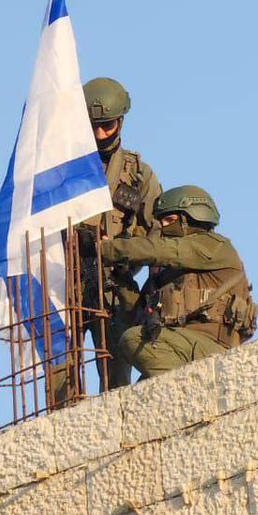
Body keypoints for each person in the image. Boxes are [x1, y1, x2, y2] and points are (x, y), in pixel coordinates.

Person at [99, 185, 258, 378]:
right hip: (180, 346)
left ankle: (189, 389)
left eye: (169, 220)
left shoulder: (214, 246)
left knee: (133, 339)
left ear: (191, 218)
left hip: (213, 347)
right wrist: (122, 278)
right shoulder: (169, 275)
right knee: (144, 386)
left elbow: (157, 250)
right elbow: (137, 314)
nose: (164, 228)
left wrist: (109, 249)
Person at [78, 77, 162, 390]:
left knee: (116, 380)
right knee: (61, 377)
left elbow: (159, 235)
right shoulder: (60, 168)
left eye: (108, 126)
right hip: (64, 284)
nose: (100, 134)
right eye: (94, 126)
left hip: (114, 285)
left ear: (120, 121)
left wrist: (121, 250)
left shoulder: (138, 174)